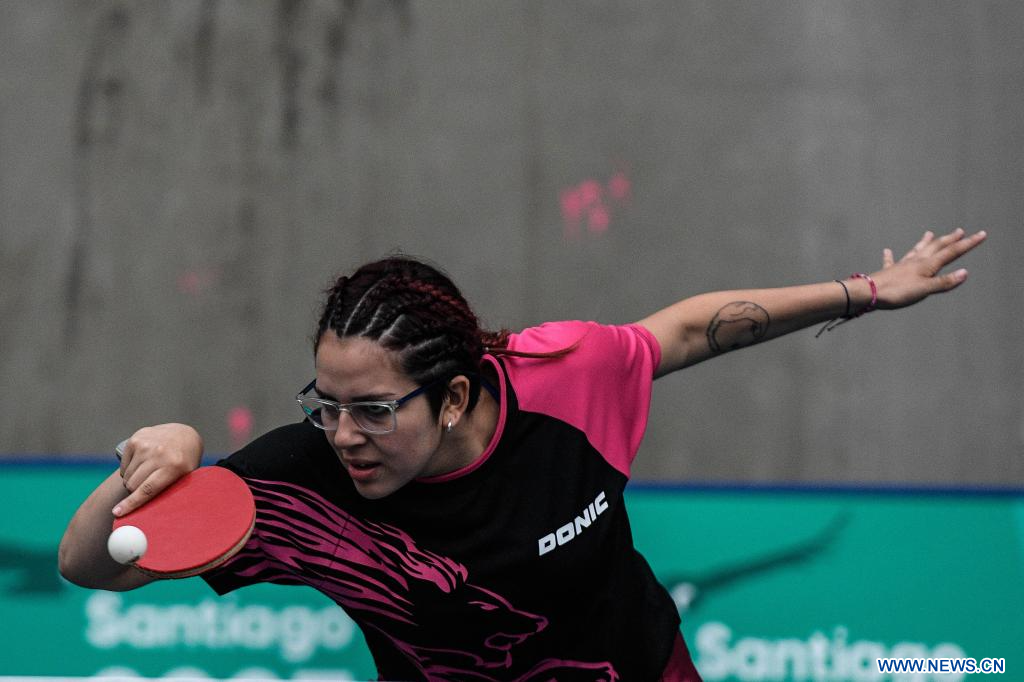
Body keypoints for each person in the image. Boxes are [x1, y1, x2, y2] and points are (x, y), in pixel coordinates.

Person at [59, 227, 986, 681]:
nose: (344, 435)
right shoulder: (298, 481)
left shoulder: (562, 377)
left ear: (455, 395)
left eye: (374, 410)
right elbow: (90, 566)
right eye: (327, 405)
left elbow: (694, 330)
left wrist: (868, 289)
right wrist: (152, 459)